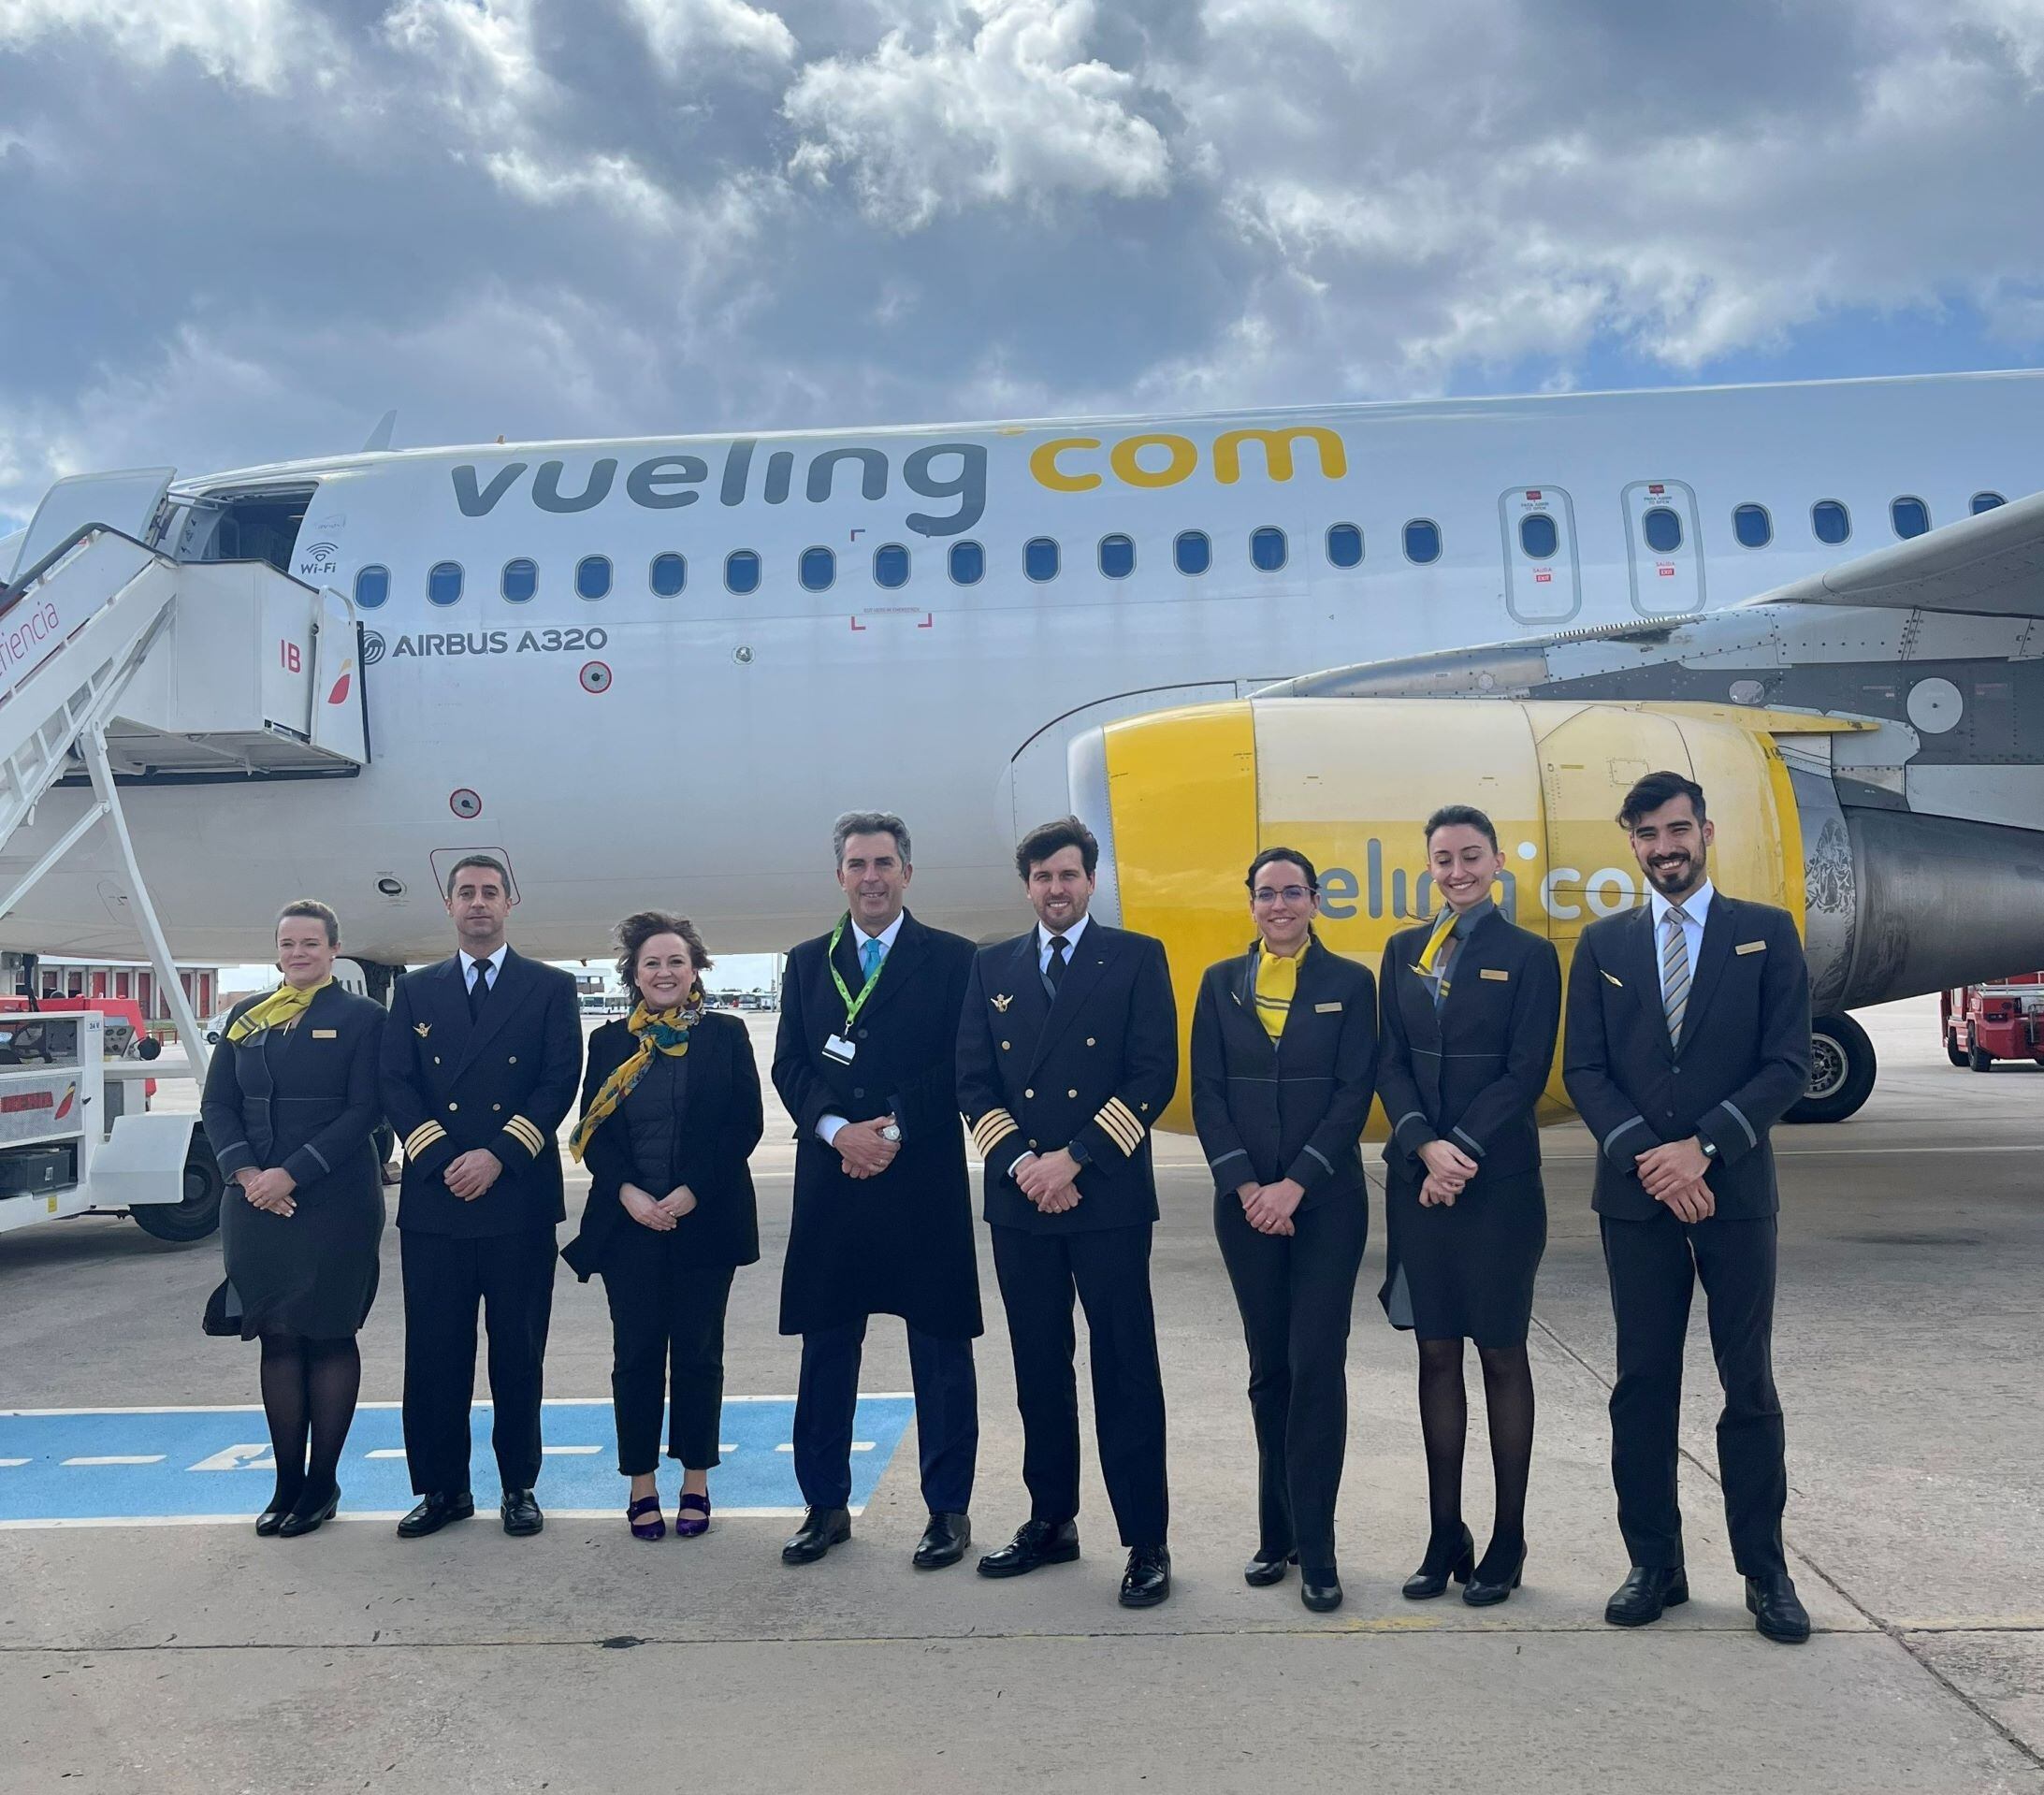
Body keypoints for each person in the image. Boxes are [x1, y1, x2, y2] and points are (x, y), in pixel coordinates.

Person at [1563, 770, 1813, 1644]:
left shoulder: (1765, 934)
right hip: (1635, 1201)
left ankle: (1764, 1570)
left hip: (1734, 1192)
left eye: (1677, 830)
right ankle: (1653, 1563)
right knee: (1642, 1385)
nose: (1664, 847)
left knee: (1746, 1383)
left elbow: (1787, 1062)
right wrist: (1650, 1158)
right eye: (1646, 835)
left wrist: (1701, 1147)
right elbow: (1584, 1071)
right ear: (1629, 842)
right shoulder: (1602, 944)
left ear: (1705, 830)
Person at [956, 816, 1178, 1608]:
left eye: (1070, 875)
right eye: (1044, 877)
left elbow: (1154, 1072)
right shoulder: (992, 966)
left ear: (1091, 881)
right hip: (1022, 1203)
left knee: (1124, 1368)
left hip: (1106, 1195)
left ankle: (1146, 1538)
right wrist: (1023, 1164)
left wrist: (1073, 1158)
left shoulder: (1135, 957)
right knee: (1038, 1370)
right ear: (1028, 886)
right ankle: (1052, 1519)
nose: (1057, 888)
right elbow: (972, 1083)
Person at [772, 813, 981, 1570]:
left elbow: (963, 1063)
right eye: (857, 863)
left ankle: (947, 1509)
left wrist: (889, 1130)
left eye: (884, 862)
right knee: (827, 1346)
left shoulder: (955, 960)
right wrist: (836, 1130)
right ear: (839, 876)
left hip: (918, 1177)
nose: (871, 876)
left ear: (907, 873)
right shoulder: (803, 963)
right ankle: (824, 1505)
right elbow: (790, 1062)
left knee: (940, 1349)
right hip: (833, 1179)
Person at [1376, 806, 1561, 1608]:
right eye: (1443, 859)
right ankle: (1442, 1530)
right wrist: (1423, 1144)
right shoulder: (1400, 951)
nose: (1456, 871)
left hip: (1497, 1184)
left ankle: (1507, 1536)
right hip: (1420, 1180)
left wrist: (1460, 1152)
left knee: (1499, 1355)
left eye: (1469, 856)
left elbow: (1524, 1074)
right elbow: (1386, 1061)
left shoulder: (1528, 955)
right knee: (1435, 1353)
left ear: (1495, 863)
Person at [1189, 848, 1376, 1613]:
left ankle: (1322, 1547)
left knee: (1315, 1365)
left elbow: (1352, 1092)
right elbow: (1204, 1093)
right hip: (1245, 1208)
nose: (1278, 905)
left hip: (1324, 1202)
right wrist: (1247, 1186)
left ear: (1313, 900)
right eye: (1265, 893)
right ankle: (1278, 1534)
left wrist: (1294, 1184)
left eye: (1291, 892)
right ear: (1251, 903)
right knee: (1268, 1368)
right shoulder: (1218, 984)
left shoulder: (1348, 984)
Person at [381, 854, 583, 1540]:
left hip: (516, 1195)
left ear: (510, 902)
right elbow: (396, 1083)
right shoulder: (414, 990)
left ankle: (518, 1484)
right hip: (437, 1199)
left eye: (489, 892)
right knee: (435, 1351)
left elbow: (558, 1081)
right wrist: (442, 1157)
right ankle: (441, 1488)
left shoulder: (550, 987)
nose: (477, 903)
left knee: (516, 1349)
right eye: (465, 892)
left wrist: (497, 1155)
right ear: (448, 904)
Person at [562, 913, 761, 1542]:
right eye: (652, 963)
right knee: (637, 1353)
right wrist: (626, 1191)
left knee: (699, 1354)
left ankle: (696, 1480)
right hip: (630, 1223)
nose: (665, 972)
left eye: (676, 961)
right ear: (634, 974)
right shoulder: (611, 1041)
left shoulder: (726, 1035)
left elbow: (743, 1125)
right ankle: (641, 1482)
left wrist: (688, 1191)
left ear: (694, 968)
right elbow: (594, 1131)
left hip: (703, 1218)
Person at [201, 900, 386, 1538]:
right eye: (289, 942)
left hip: (334, 1197)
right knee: (277, 1335)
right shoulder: (245, 1017)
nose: (299, 951)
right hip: (254, 1201)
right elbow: (219, 1102)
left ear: (334, 949)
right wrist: (249, 1175)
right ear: (276, 950)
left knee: (329, 1333)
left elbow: (365, 1108)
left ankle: (322, 1481)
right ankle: (286, 1480)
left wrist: (292, 1173)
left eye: (312, 942)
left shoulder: (362, 1017)